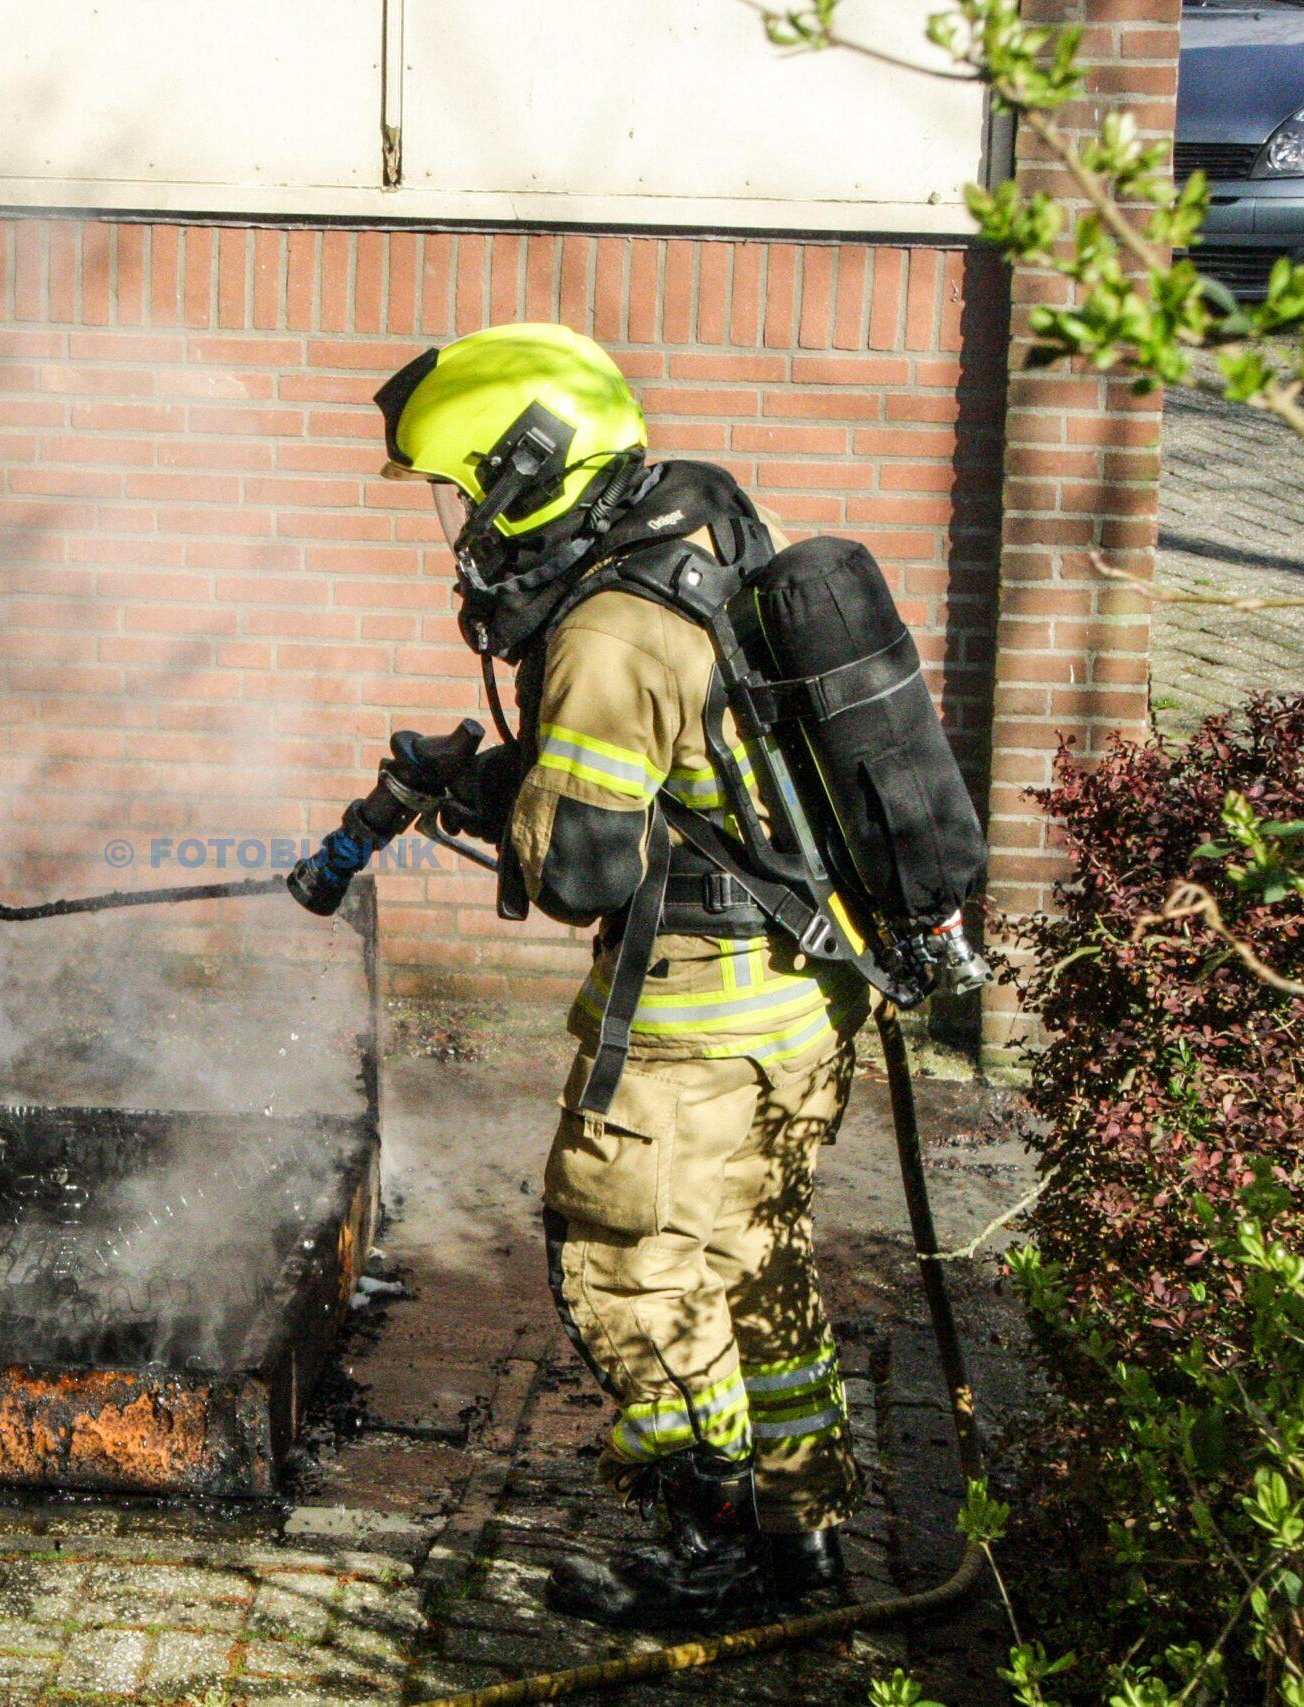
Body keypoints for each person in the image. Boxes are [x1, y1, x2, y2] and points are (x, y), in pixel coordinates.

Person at [372, 323, 865, 1630]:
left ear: (531, 469)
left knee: (629, 1269)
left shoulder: (606, 635)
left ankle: (723, 1551)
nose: (461, 526)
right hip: (804, 988)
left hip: (703, 1017)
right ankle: (800, 1531)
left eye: (466, 491)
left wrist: (476, 798)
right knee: (754, 1261)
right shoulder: (694, 522)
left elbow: (587, 871)